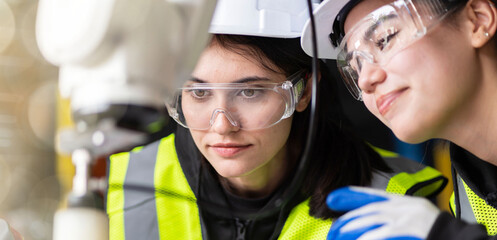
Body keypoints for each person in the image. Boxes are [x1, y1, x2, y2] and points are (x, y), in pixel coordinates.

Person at [105, 1, 446, 239]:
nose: (222, 125)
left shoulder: (395, 198)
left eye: (250, 93)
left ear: (304, 92)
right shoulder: (117, 184)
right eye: (199, 93)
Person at [302, 0, 497, 239]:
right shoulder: (473, 190)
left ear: (478, 20)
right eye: (356, 67)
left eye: (386, 39)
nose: (365, 80)